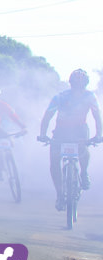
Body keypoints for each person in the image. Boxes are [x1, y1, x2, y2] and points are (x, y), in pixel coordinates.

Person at [38, 69, 102, 207]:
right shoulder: (60, 97)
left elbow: (97, 117)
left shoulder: (90, 97)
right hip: (62, 131)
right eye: (76, 84)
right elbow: (47, 116)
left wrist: (99, 135)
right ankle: (60, 194)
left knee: (81, 150)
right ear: (71, 83)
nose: (78, 87)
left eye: (80, 84)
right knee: (55, 160)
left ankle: (83, 173)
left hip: (79, 131)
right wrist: (42, 134)